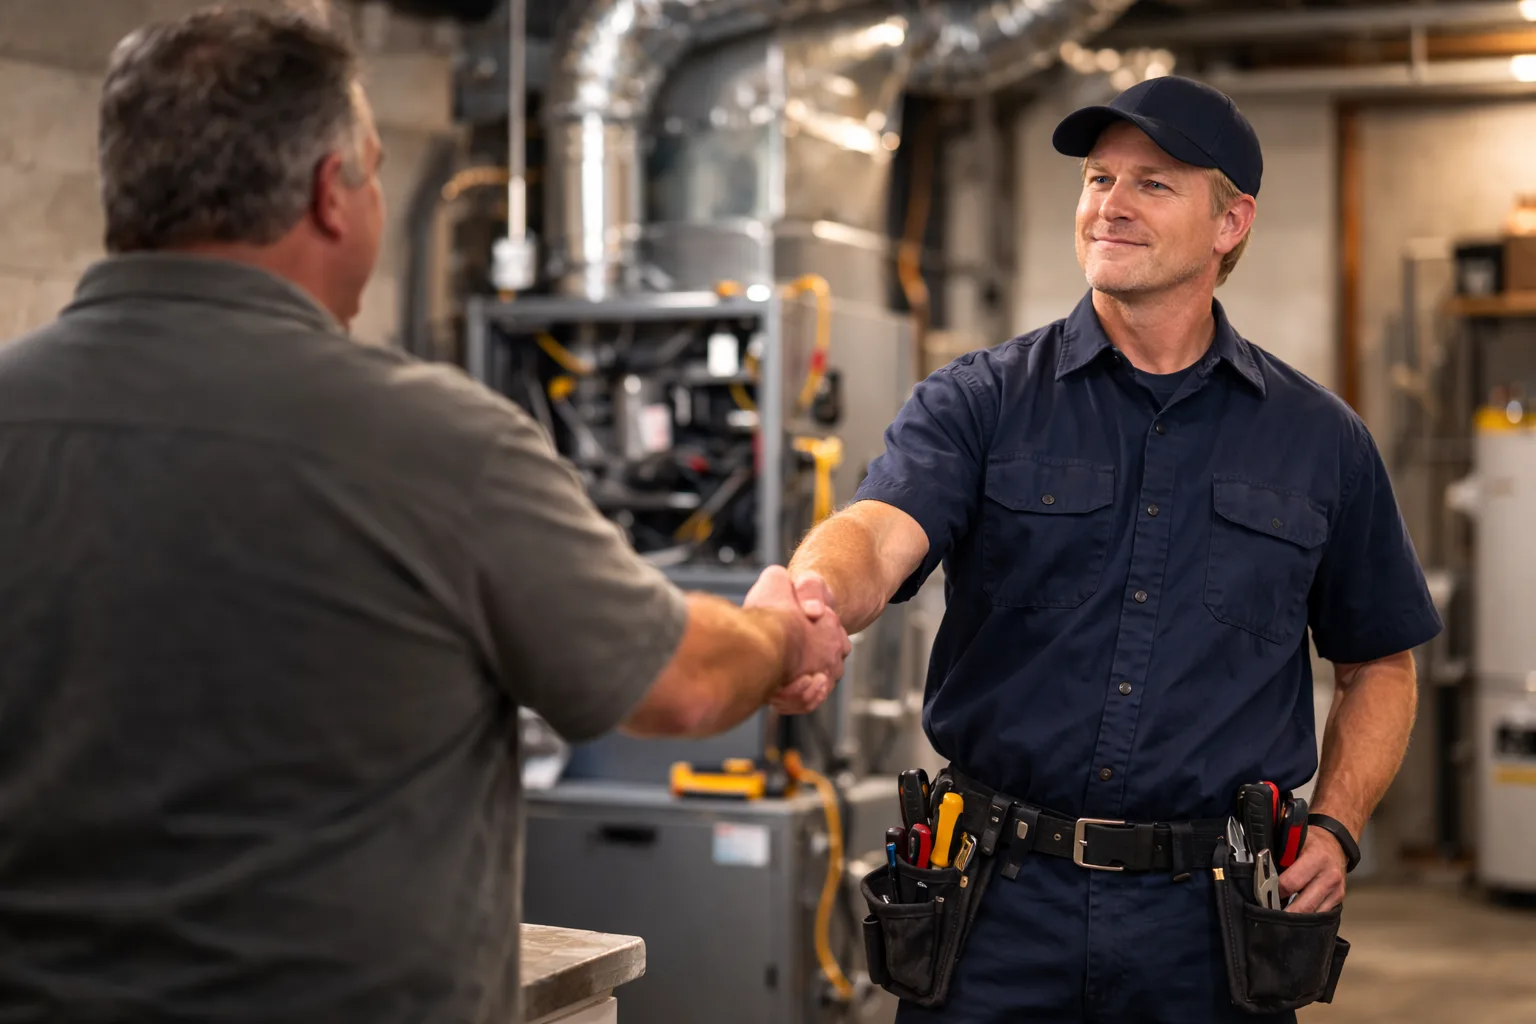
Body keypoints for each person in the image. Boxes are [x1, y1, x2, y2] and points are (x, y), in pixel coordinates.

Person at [0, 9, 848, 1023]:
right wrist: (780, 632)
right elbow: (684, 684)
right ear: (330, 193)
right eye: (371, 170)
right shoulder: (434, 444)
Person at [775, 76, 1442, 1022]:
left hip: (1211, 926)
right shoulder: (981, 400)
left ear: (1231, 222)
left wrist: (1336, 823)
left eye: (1153, 184)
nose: (1110, 205)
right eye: (1098, 178)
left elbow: (1380, 661)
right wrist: (812, 594)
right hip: (995, 908)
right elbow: (878, 531)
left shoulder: (1320, 441)